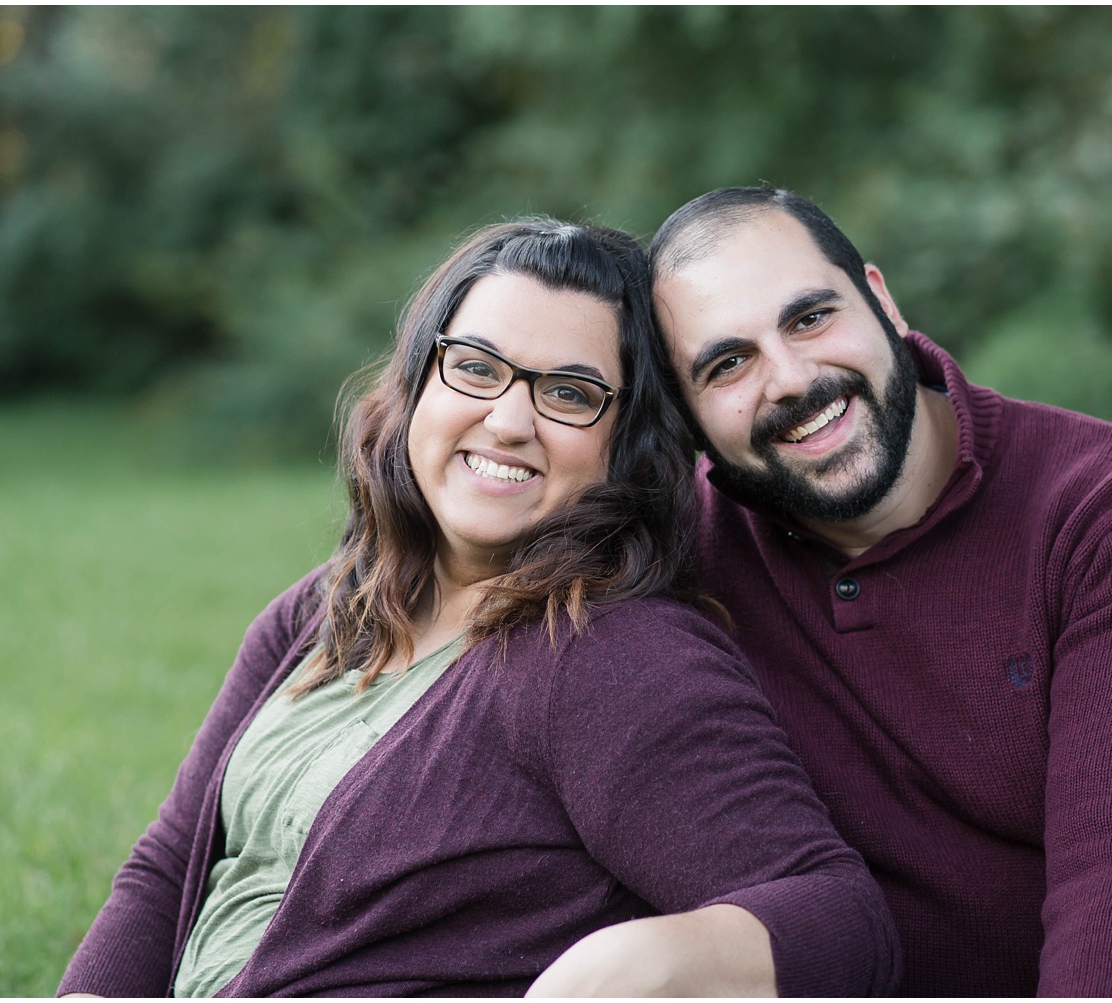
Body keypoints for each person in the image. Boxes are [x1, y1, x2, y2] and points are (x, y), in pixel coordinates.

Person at [56, 219, 901, 998]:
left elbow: (840, 922)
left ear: (626, 444)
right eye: (476, 367)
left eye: (569, 394)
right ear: (420, 378)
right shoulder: (319, 611)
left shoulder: (611, 657)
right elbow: (170, 868)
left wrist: (634, 963)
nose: (507, 420)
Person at [630, 186, 1112, 996]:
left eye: (810, 318)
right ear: (688, 416)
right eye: (727, 363)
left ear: (882, 299)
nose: (793, 378)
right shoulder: (678, 567)